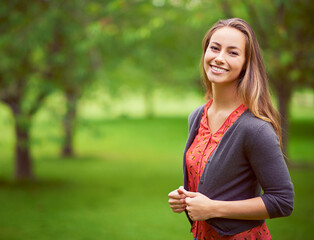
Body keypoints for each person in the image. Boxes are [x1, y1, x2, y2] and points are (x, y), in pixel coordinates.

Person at [168, 18, 294, 240]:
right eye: (214, 48)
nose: (219, 58)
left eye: (233, 53)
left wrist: (213, 208)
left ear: (246, 63)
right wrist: (187, 197)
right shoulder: (197, 117)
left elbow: (282, 201)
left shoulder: (255, 129)